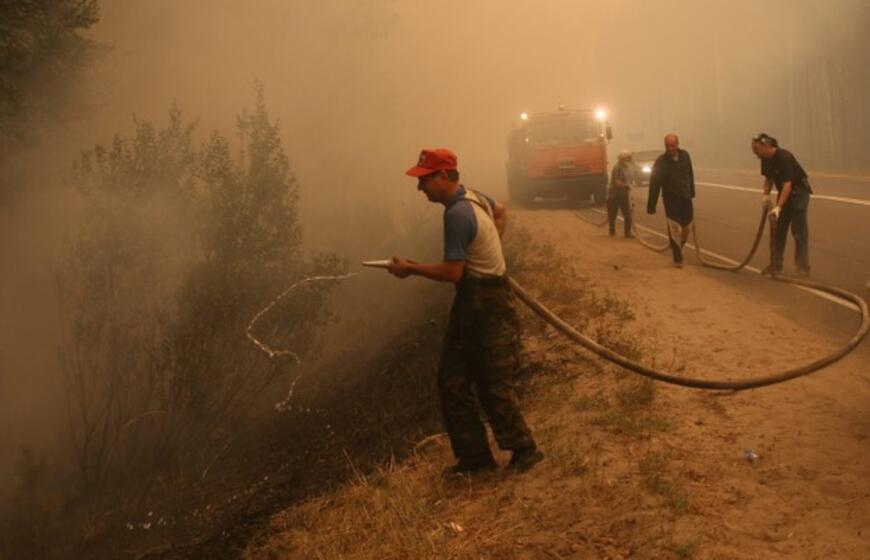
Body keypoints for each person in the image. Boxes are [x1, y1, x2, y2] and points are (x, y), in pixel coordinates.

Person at [387, 148, 543, 476]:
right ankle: (475, 459)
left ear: (443, 176)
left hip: (487, 303)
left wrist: (410, 269)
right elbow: (501, 209)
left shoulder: (457, 215)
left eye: (424, 179)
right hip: (476, 300)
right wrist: (492, 246)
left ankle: (525, 450)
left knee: (492, 381)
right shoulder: (474, 196)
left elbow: (453, 273)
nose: (420, 187)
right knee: (452, 379)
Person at [751, 133, 812, 277]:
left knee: (798, 231)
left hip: (798, 193)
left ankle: (803, 267)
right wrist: (766, 195)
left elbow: (787, 185)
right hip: (785, 192)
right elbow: (768, 179)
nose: (755, 153)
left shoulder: (783, 157)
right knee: (778, 230)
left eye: (757, 149)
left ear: (766, 146)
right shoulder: (765, 159)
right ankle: (776, 265)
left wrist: (778, 207)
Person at [646, 134, 695, 267]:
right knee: (674, 227)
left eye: (672, 146)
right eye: (667, 146)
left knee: (687, 226)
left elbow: (690, 174)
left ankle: (678, 246)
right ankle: (677, 256)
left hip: (685, 197)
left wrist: (692, 192)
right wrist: (651, 205)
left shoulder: (685, 156)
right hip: (671, 198)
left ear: (678, 144)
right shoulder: (661, 162)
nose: (670, 148)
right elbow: (654, 184)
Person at [607, 150, 636, 238]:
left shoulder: (626, 167)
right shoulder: (617, 168)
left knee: (627, 214)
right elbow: (617, 182)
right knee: (613, 215)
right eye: (628, 158)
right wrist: (627, 185)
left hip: (624, 194)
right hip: (615, 195)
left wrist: (631, 183)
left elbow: (629, 179)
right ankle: (612, 232)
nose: (629, 160)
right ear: (623, 159)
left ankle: (627, 233)